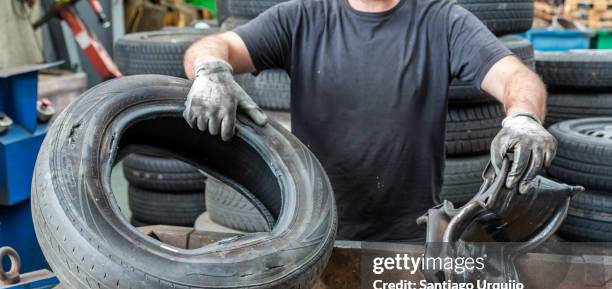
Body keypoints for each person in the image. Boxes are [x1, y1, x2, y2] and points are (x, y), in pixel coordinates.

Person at [182, 0, 557, 242]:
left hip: (410, 238)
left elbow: (516, 77)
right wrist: (210, 70)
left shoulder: (442, 20)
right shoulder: (300, 17)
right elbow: (218, 46)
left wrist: (523, 117)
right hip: (313, 235)